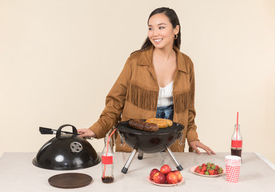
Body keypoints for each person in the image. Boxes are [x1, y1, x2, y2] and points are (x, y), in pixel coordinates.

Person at [78, 7, 215, 155]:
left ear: (176, 30)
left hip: (172, 145)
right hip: (134, 146)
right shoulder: (135, 61)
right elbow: (115, 102)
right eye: (151, 28)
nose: (154, 33)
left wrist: (193, 138)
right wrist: (96, 129)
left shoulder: (186, 64)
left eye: (161, 27)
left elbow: (188, 110)